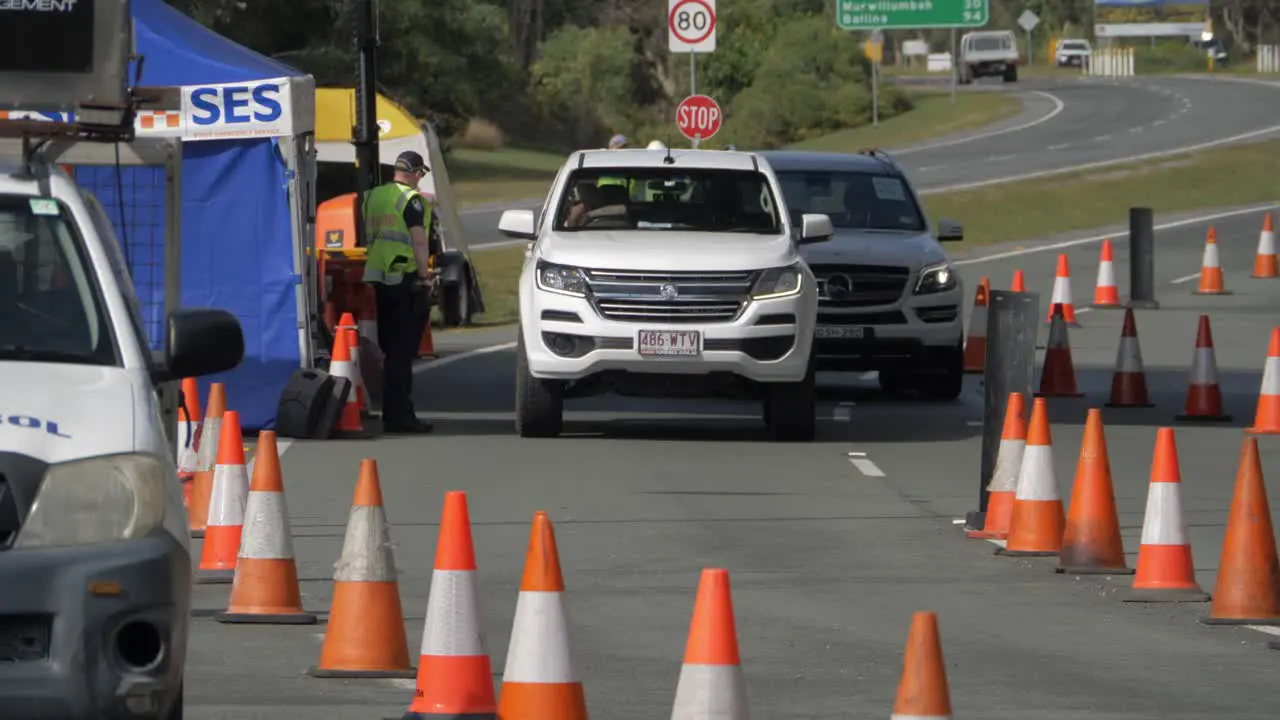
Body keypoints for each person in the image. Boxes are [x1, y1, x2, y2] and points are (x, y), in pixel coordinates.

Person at [361, 151, 439, 434]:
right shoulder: (410, 200)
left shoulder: (373, 196)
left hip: (380, 277)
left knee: (391, 348)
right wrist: (424, 277)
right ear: (416, 172)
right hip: (405, 277)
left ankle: (392, 412)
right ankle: (401, 416)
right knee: (402, 353)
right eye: (421, 174)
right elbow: (419, 242)